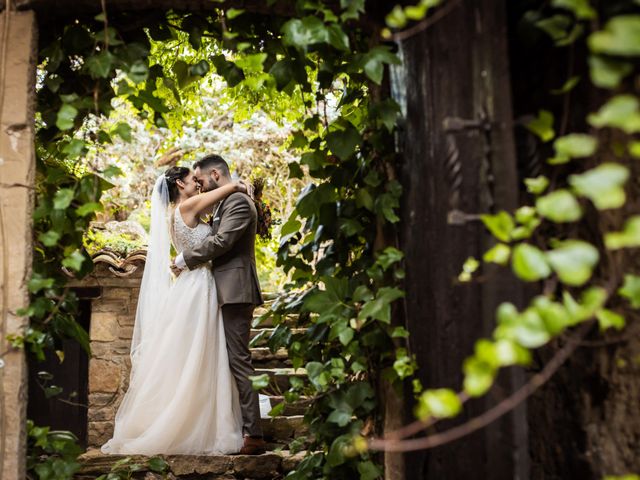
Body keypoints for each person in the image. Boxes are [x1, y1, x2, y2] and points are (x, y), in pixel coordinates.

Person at [101, 165, 250, 455]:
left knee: (192, 354)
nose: (198, 184)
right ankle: (202, 422)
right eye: (194, 179)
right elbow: (230, 188)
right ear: (180, 183)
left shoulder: (174, 215)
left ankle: (194, 416)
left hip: (190, 284)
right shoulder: (189, 204)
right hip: (200, 284)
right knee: (202, 351)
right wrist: (241, 187)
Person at [172, 154, 265, 455]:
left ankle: (254, 435)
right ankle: (239, 427)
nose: (198, 187)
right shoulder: (226, 201)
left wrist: (184, 259)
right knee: (227, 359)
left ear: (215, 174)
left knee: (238, 358)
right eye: (193, 183)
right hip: (223, 289)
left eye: (200, 180)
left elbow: (222, 242)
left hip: (235, 289)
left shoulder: (237, 203)